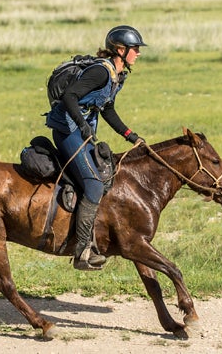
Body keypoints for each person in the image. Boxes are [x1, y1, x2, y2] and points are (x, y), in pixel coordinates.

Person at [45, 25, 147, 270]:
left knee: (104, 174)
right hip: (67, 129)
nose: (138, 53)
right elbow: (70, 96)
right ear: (120, 50)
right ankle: (82, 251)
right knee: (93, 183)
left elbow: (107, 108)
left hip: (81, 130)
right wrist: (82, 125)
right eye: (135, 49)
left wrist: (130, 136)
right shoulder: (101, 72)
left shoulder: (118, 75)